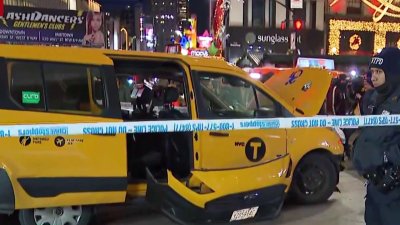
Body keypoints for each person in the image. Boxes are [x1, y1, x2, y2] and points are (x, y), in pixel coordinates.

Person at [352, 47, 400, 225]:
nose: (374, 77)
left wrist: (389, 161)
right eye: (372, 72)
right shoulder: (371, 98)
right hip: (373, 189)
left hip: (394, 194)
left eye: (379, 72)